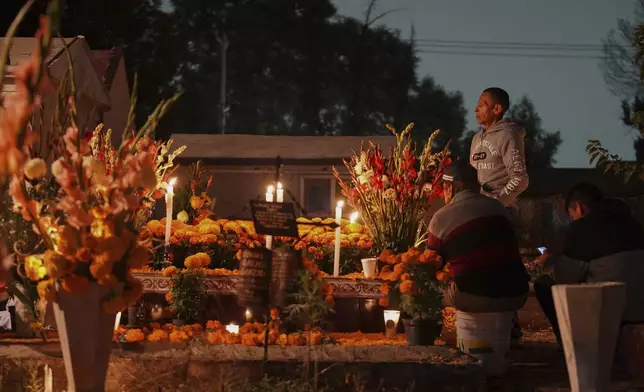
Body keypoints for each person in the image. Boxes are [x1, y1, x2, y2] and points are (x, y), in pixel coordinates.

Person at [533, 183, 644, 347]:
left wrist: (552, 263)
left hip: (611, 313)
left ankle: (568, 343)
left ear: (579, 208)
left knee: (543, 285)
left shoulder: (583, 228)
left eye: (572, 216)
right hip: (640, 310)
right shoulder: (633, 224)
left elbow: (564, 278)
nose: (573, 220)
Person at [428, 160, 529, 314]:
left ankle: (432, 333)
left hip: (471, 294)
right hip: (517, 293)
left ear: (449, 187)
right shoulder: (498, 208)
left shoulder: (442, 217)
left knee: (422, 288)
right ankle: (512, 330)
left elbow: (430, 263)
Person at [470, 87, 529, 345]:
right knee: (482, 268)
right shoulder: (476, 140)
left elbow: (520, 178)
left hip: (502, 213)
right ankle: (486, 326)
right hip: (481, 213)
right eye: (477, 103)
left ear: (497, 109)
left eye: (483, 104)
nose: (476, 108)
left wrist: (497, 203)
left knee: (502, 268)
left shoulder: (508, 134)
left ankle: (510, 327)